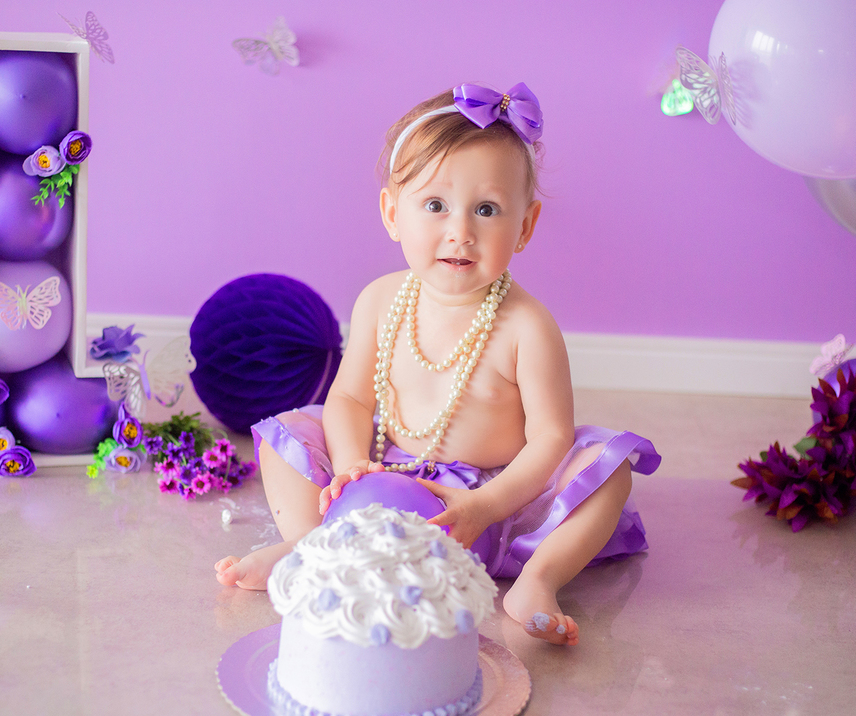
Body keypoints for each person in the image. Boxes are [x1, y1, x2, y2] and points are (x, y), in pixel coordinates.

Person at [216, 83, 659, 645]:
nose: (460, 231)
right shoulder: (380, 299)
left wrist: (486, 505)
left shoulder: (527, 326)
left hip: (493, 498)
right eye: (434, 205)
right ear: (391, 212)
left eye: (487, 209)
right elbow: (350, 399)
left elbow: (550, 439)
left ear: (524, 226)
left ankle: (539, 580)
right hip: (384, 467)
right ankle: (313, 543)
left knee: (610, 468)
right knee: (291, 433)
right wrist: (352, 464)